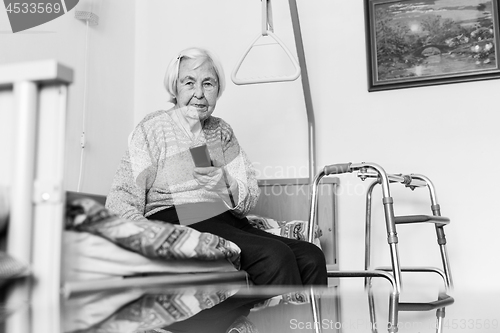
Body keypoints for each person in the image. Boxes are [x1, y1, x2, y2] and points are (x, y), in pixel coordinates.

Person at [105, 47, 327, 286]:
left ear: (218, 90)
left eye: (208, 84)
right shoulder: (152, 128)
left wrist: (227, 186)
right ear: (175, 88)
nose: (199, 93)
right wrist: (155, 239)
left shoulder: (221, 131)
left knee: (311, 256)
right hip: (176, 218)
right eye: (189, 83)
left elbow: (248, 195)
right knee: (274, 256)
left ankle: (308, 324)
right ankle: (270, 325)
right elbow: (120, 199)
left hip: (225, 219)